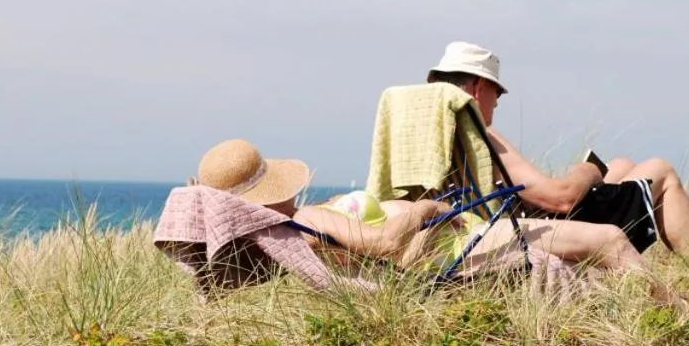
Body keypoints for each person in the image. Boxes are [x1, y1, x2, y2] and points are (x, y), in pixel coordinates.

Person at [193, 138, 649, 275]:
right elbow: (389, 243)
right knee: (609, 239)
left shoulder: (297, 227)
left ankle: (669, 295)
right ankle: (677, 312)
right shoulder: (303, 220)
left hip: (460, 243)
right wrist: (425, 210)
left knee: (594, 260)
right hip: (459, 246)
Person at [426, 41, 689, 254]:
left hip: (489, 227)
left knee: (622, 166)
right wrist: (588, 170)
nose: (497, 102)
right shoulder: (482, 137)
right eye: (496, 92)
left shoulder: (430, 138)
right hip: (540, 234)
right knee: (660, 170)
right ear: (478, 87)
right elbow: (561, 199)